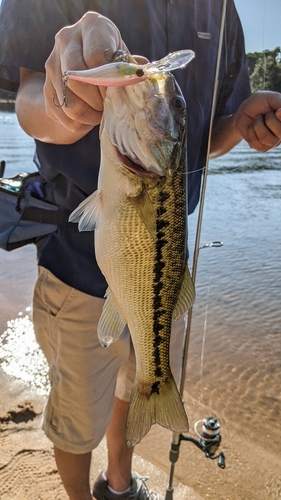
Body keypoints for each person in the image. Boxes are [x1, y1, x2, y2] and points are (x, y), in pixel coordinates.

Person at [0, 1, 280, 499]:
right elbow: (27, 102)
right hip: (74, 262)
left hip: (166, 269)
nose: (160, 95)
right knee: (78, 411)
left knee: (139, 382)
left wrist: (239, 125)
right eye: (163, 101)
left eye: (165, 102)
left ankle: (120, 482)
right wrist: (63, 104)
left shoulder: (220, 9)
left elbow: (199, 139)